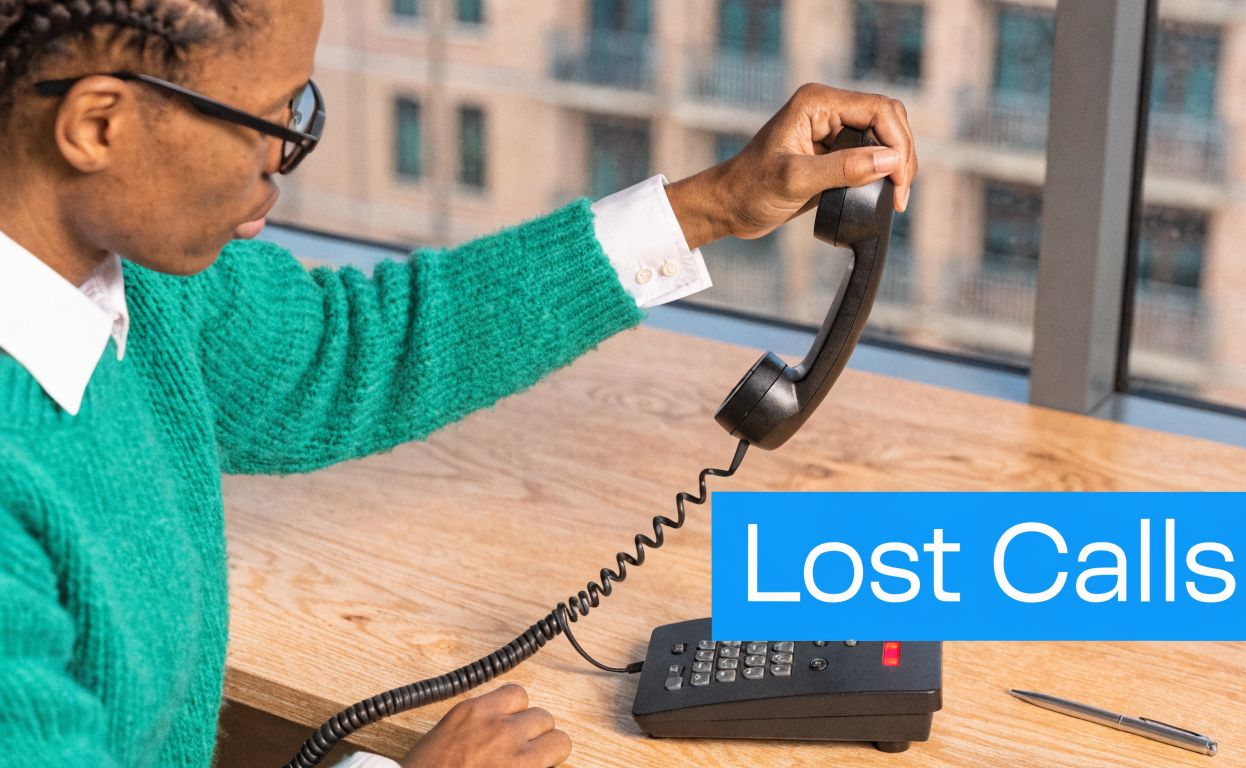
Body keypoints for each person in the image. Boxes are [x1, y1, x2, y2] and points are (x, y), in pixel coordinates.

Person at [0, 1, 917, 766]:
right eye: (273, 118)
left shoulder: (134, 279)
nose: (283, 158)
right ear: (98, 125)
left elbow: (352, 347)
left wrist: (715, 203)